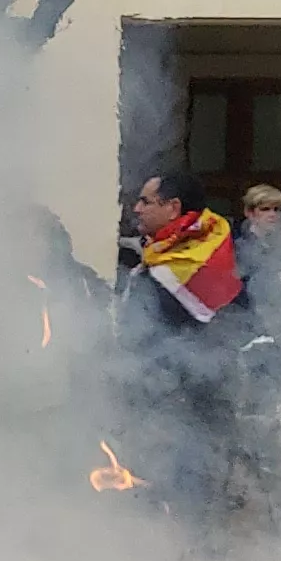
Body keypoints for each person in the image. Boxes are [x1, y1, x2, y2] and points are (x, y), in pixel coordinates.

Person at [116, 171, 254, 516]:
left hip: (186, 395)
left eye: (146, 201)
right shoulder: (171, 252)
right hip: (163, 392)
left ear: (173, 207)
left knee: (187, 480)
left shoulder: (191, 263)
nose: (137, 208)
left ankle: (190, 551)